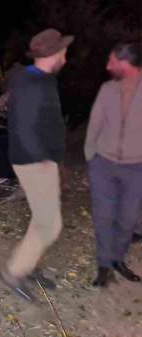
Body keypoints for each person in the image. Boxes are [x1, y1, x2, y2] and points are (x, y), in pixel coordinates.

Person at [0, 28, 73, 302]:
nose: (66, 54)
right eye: (64, 50)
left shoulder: (40, 79)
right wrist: (41, 159)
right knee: (49, 224)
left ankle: (28, 266)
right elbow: (25, 127)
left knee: (43, 219)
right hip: (35, 162)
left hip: (42, 159)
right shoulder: (32, 83)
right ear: (53, 54)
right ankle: (12, 273)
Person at [84, 41, 142, 287]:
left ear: (126, 64)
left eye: (112, 61)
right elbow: (94, 124)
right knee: (103, 217)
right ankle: (104, 266)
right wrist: (91, 158)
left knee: (127, 219)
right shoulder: (107, 89)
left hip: (136, 168)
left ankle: (118, 259)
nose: (107, 66)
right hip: (103, 165)